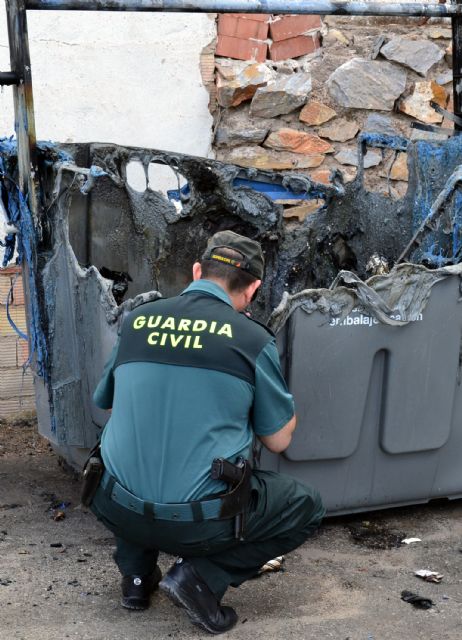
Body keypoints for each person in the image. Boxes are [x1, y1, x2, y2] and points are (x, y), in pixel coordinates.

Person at [89, 230, 325, 634]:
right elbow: (279, 440)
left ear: (197, 271)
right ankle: (202, 578)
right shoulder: (251, 340)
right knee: (306, 505)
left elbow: (103, 401)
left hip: (113, 505)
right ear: (251, 291)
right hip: (197, 523)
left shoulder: (137, 321)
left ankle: (136, 579)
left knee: (137, 451)